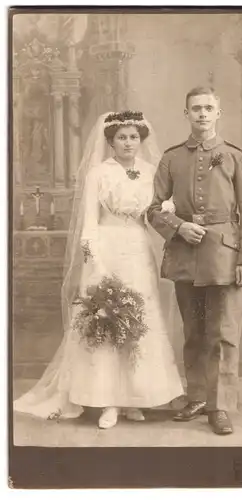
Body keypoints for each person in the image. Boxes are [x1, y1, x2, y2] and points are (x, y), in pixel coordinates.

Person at [14, 110, 184, 429]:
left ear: (141, 140)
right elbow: (89, 223)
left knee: (140, 318)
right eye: (121, 137)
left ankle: (135, 398)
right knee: (107, 318)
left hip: (138, 248)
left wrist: (171, 208)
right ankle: (108, 401)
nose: (128, 142)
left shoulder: (151, 171)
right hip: (106, 247)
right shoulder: (98, 174)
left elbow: (159, 209)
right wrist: (95, 260)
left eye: (134, 137)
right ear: (110, 141)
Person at [147, 86, 242, 435]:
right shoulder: (171, 158)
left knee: (223, 334)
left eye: (208, 108)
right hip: (185, 256)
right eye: (195, 108)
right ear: (186, 113)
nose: (202, 114)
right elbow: (152, 209)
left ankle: (220, 404)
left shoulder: (235, 157)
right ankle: (196, 396)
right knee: (193, 332)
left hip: (224, 257)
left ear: (218, 113)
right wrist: (178, 227)